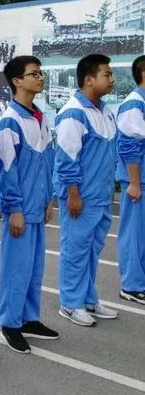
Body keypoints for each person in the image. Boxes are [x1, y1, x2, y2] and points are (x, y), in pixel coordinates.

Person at [0, 56, 59, 353]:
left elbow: (46, 163)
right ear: (17, 82)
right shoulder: (10, 121)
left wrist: (49, 200)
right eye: (33, 74)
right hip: (20, 209)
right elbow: (7, 170)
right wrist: (14, 208)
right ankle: (9, 322)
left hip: (38, 204)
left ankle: (29, 318)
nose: (40, 78)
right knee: (16, 267)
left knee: (35, 266)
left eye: (40, 73)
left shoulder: (40, 116)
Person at [54, 54, 118, 326]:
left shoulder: (105, 110)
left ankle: (89, 298)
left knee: (91, 250)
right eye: (107, 74)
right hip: (81, 197)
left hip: (100, 197)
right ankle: (70, 303)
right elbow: (67, 159)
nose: (111, 79)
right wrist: (73, 195)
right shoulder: (73, 113)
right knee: (75, 250)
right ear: (89, 80)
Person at [116, 55, 145, 305]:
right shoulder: (134, 104)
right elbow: (129, 146)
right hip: (139, 181)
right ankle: (131, 285)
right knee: (134, 235)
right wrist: (134, 182)